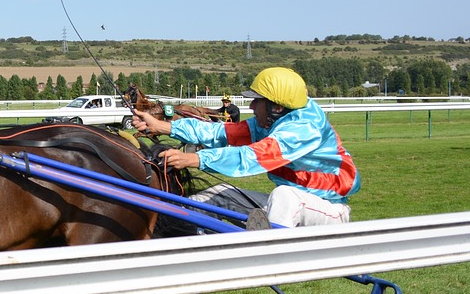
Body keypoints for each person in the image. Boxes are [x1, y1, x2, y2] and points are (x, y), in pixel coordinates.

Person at [131, 67, 359, 227]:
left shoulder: (304, 128)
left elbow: (250, 157)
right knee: (216, 195)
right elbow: (220, 132)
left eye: (256, 100)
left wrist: (195, 159)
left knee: (286, 195)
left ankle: (267, 259)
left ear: (276, 107)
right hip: (289, 210)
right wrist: (163, 127)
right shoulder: (275, 120)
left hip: (328, 212)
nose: (251, 105)